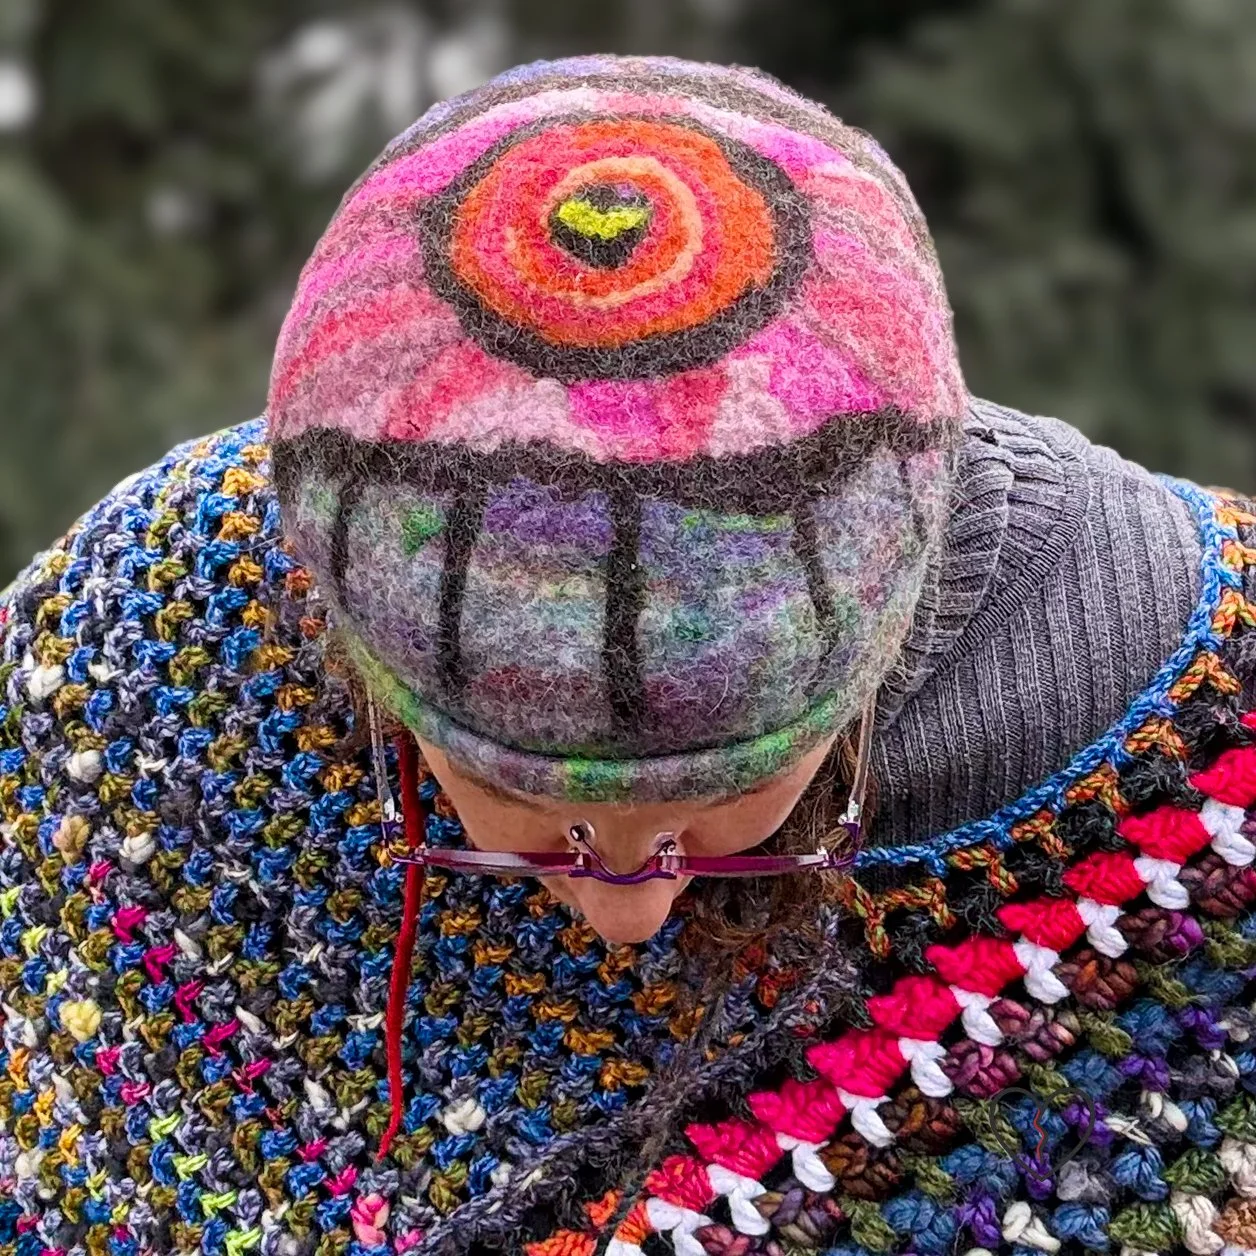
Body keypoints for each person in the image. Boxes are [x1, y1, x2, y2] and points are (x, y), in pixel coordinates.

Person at [3, 52, 1256, 1256]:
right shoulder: (158, 644)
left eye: (715, 798)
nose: (626, 909)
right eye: (520, 802)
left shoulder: (1213, 747)